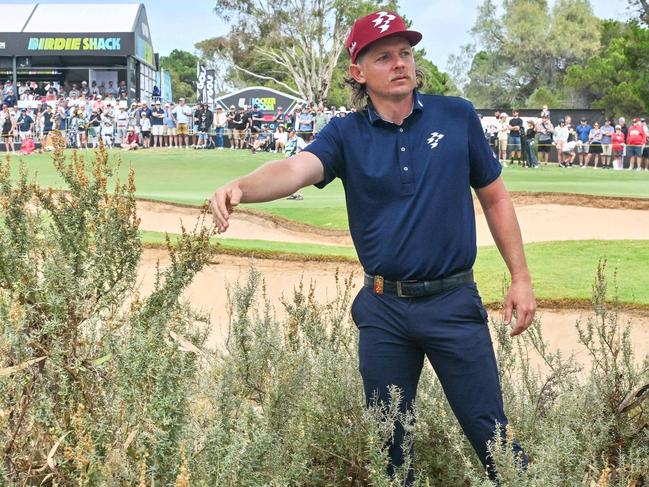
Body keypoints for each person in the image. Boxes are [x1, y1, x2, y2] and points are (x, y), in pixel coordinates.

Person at [209, 10, 535, 484]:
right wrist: (241, 184)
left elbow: (496, 196)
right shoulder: (346, 134)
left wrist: (520, 278)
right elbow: (295, 169)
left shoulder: (457, 115)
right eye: (384, 56)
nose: (400, 63)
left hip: (452, 303)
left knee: (493, 439)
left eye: (405, 53)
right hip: (384, 310)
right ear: (358, 73)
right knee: (389, 446)